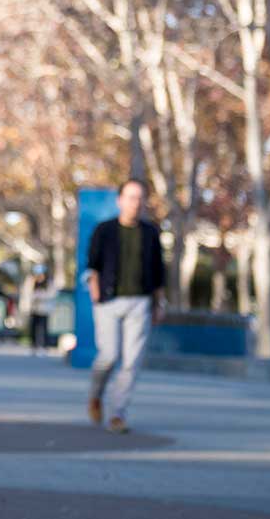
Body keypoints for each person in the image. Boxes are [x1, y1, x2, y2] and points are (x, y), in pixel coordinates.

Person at [84, 179, 165, 434]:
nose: (135, 203)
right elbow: (92, 265)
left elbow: (159, 271)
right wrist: (95, 291)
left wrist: (158, 303)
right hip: (108, 301)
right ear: (120, 200)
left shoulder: (151, 232)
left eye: (140, 198)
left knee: (132, 362)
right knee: (108, 356)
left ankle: (118, 413)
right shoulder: (105, 230)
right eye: (130, 197)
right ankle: (96, 395)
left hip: (140, 302)